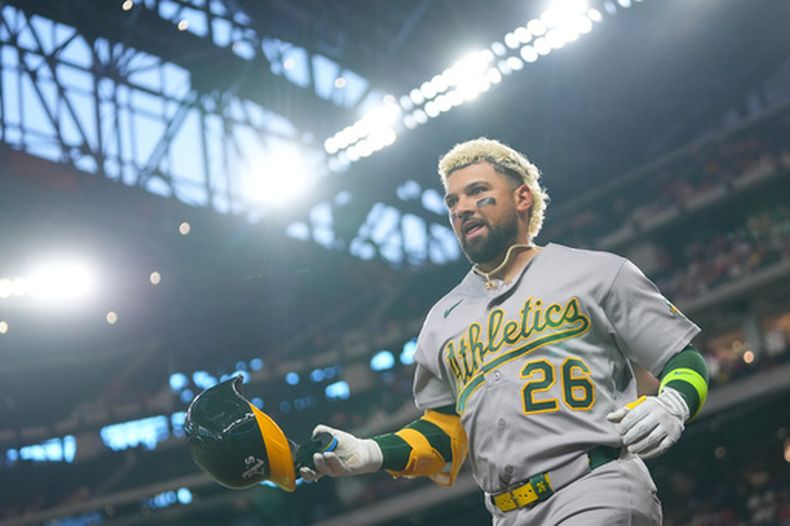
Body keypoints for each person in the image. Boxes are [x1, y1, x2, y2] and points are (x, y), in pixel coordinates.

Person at [300, 138, 709, 525]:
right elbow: (444, 429)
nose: (462, 208)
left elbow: (682, 356)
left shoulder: (598, 271)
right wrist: (370, 451)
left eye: (477, 191)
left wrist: (673, 403)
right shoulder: (442, 319)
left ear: (522, 198)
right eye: (452, 201)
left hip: (595, 486)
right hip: (506, 513)